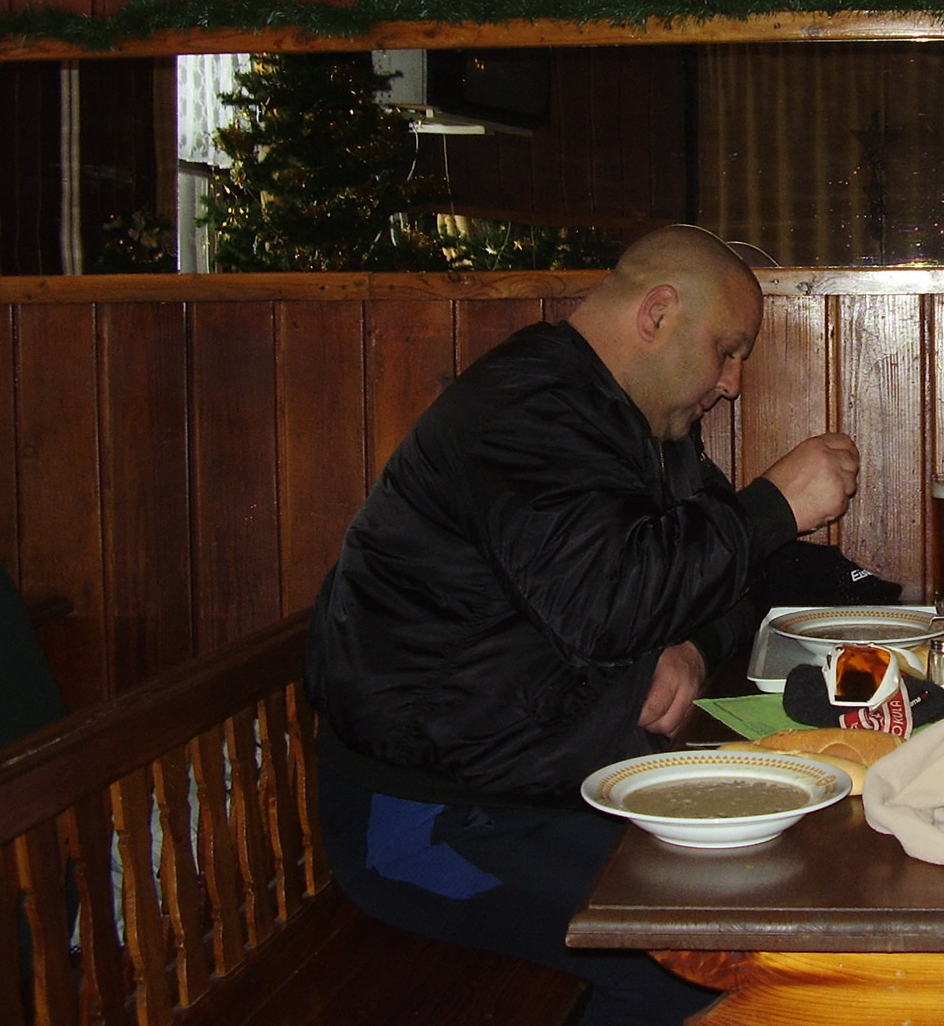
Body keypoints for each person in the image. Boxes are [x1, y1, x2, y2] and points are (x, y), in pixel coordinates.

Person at [305, 224, 861, 1025]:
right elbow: (610, 607)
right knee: (718, 966)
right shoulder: (524, 413)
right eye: (727, 351)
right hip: (436, 816)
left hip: (557, 780)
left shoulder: (639, 425)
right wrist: (775, 505)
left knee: (792, 885)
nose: (733, 383)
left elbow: (734, 574)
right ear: (657, 313)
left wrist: (692, 648)